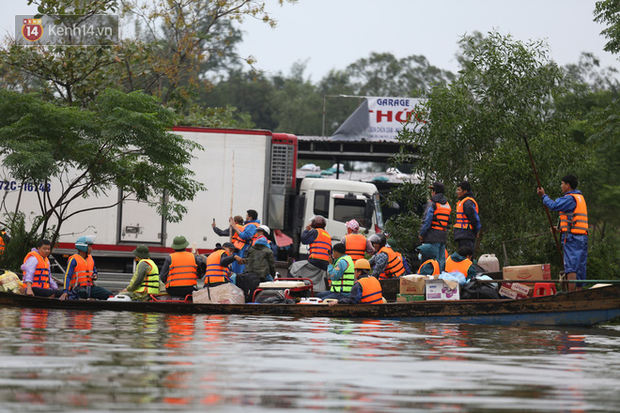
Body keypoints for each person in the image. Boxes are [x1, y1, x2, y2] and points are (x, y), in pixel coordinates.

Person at [537, 174, 588, 292]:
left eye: (562, 184)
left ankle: (571, 295)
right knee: (580, 265)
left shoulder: (569, 198)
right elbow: (573, 220)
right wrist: (559, 229)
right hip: (582, 237)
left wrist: (543, 196)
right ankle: (579, 294)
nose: (561, 186)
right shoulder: (579, 197)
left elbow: (554, 205)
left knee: (571, 266)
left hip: (572, 238)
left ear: (568, 185)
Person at [62, 236, 112, 300]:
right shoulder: (73, 259)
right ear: (83, 247)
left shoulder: (91, 258)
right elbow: (67, 276)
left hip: (90, 287)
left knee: (108, 294)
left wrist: (95, 275)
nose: (91, 248)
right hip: (77, 288)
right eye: (89, 246)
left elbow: (94, 271)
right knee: (83, 293)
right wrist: (65, 291)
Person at [419, 181, 451, 271]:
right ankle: (440, 280)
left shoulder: (432, 204)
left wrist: (422, 234)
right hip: (443, 237)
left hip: (432, 236)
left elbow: (427, 221)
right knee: (441, 261)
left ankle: (433, 280)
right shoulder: (447, 204)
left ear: (434, 191)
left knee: (433, 261)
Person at [454, 181, 481, 259]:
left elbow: (473, 219)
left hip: (466, 233)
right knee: (464, 257)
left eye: (459, 190)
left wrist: (475, 231)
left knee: (467, 257)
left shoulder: (467, 203)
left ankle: (468, 270)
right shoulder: (464, 202)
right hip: (464, 234)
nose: (457, 192)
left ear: (465, 191)